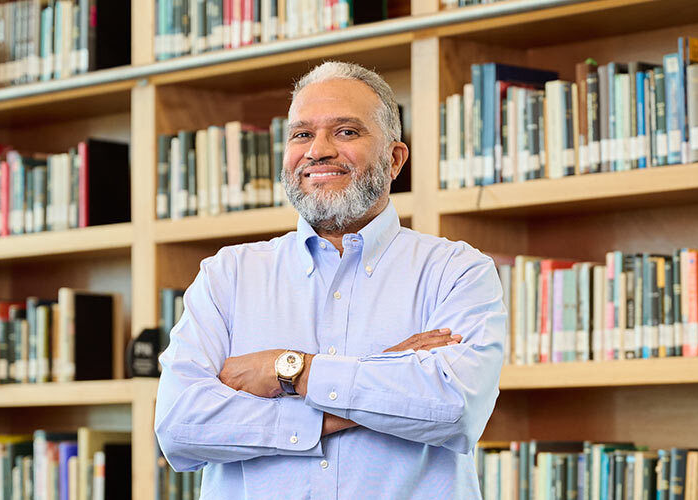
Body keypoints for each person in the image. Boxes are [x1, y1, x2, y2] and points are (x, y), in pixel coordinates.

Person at [154, 61, 506, 499]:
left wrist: (288, 370)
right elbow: (180, 427)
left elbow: (456, 410)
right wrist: (382, 377)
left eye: (346, 132)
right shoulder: (227, 275)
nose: (317, 150)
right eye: (301, 134)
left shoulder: (457, 271)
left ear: (395, 159)